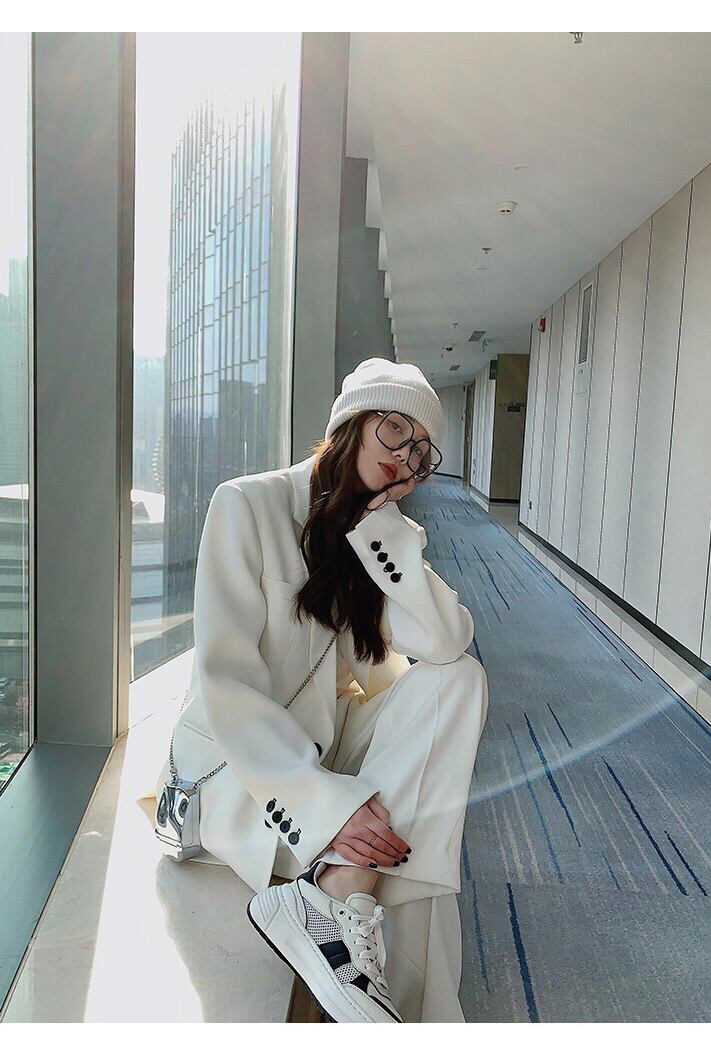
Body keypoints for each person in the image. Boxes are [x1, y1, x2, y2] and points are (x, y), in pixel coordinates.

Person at [148, 357, 489, 1022]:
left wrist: (385, 532)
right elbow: (226, 683)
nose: (406, 456)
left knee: (459, 680)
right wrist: (328, 805)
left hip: (324, 745)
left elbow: (446, 641)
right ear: (353, 423)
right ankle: (402, 1004)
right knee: (416, 837)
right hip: (240, 769)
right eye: (396, 429)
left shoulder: (375, 534)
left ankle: (336, 900)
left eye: (422, 450)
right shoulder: (245, 503)